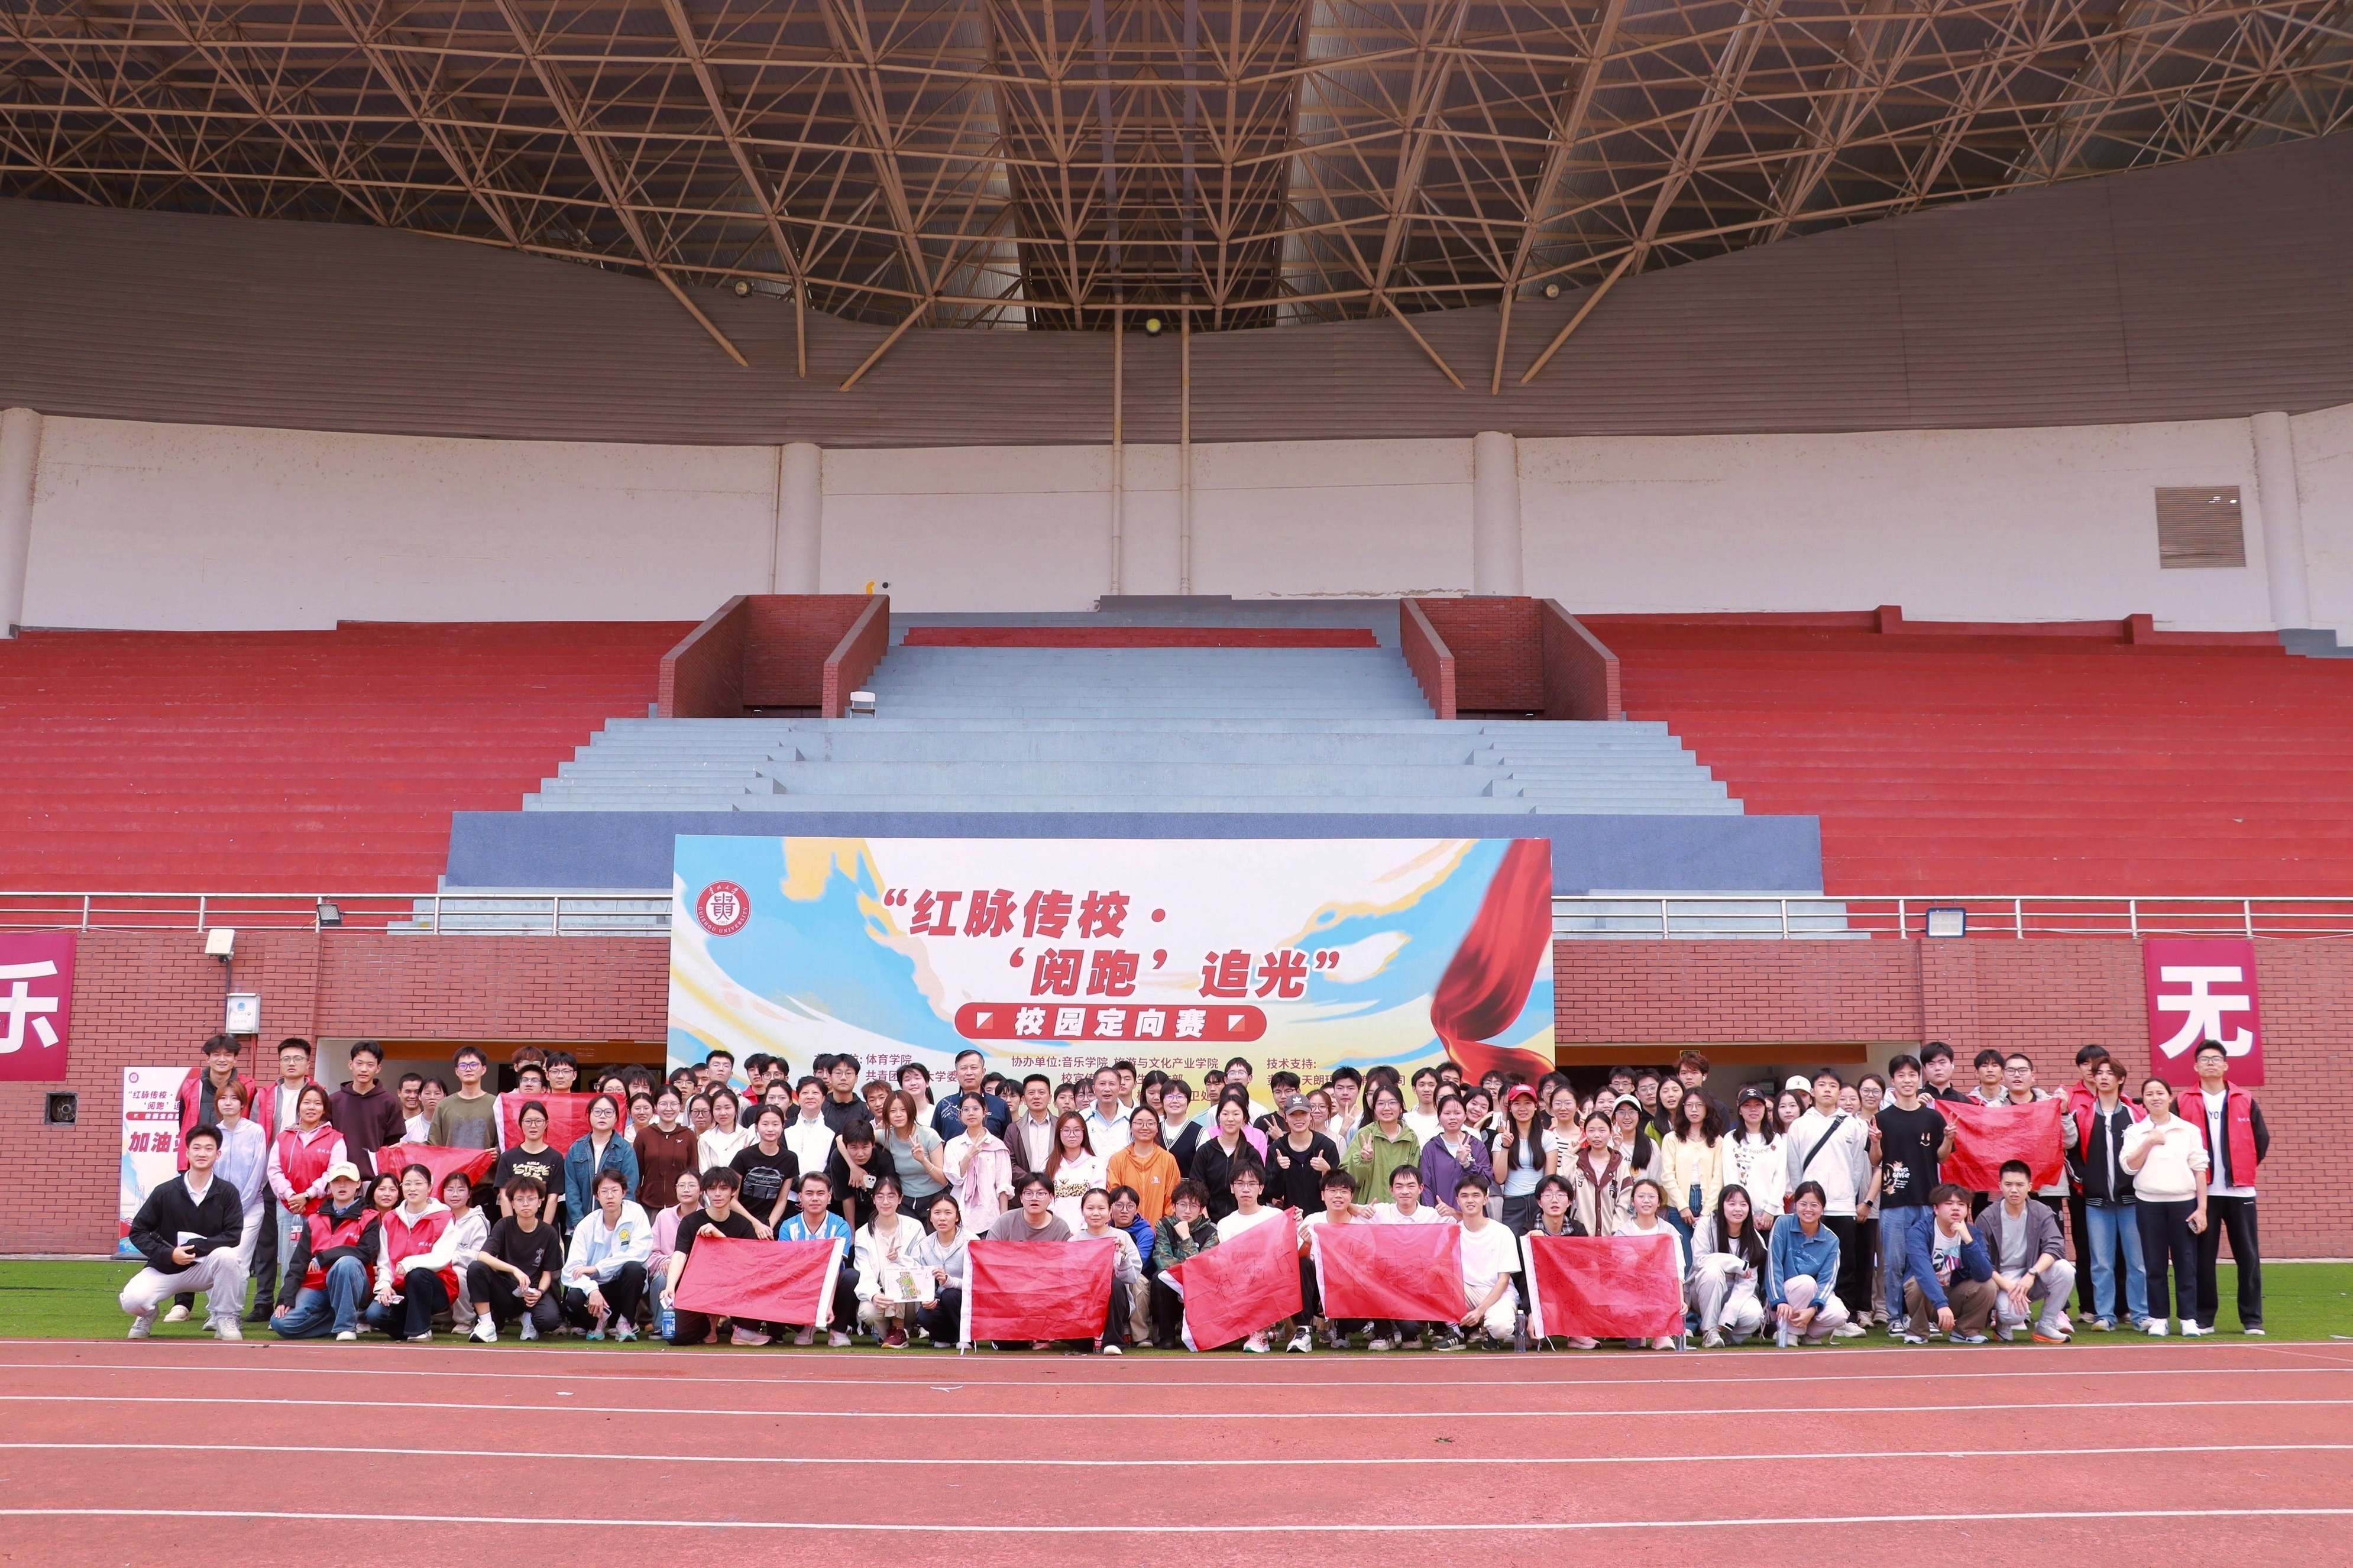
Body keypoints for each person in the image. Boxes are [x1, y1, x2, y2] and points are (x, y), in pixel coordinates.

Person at [121, 1123, 248, 1340]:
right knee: (132, 1301)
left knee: (227, 1256)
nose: (202, 1153)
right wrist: (169, 1254)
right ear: (187, 1152)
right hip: (166, 1268)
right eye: (196, 1148)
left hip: (207, 1267)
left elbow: (233, 1235)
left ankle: (225, 1317)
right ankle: (147, 1314)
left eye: (209, 1149)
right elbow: (138, 1232)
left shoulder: (227, 1192)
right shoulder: (165, 1192)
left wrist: (196, 1248)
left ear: (218, 1154)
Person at [2182, 1039, 2270, 1335]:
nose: (2211, 1063)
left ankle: (2252, 1319)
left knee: (2248, 1256)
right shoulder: (2183, 1100)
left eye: (2216, 1059)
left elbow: (2261, 1140)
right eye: (2205, 1059)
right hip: (2203, 1193)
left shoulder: (2244, 1099)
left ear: (2226, 1065)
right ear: (2196, 1066)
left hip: (2240, 1192)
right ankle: (2205, 1318)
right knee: (2203, 1258)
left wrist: (2243, 1167)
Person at [1782, 1069, 1871, 1337]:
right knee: (1808, 1262)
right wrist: (1803, 1201)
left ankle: (1843, 1319)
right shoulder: (1800, 1125)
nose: (1828, 1090)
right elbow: (1795, 1167)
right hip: (1810, 1208)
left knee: (1845, 1263)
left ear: (1839, 1091)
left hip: (1843, 1205)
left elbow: (1857, 1166)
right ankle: (1807, 1315)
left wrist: (1848, 1196)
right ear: (1813, 1092)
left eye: (1833, 1085)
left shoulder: (1854, 1125)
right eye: (1822, 1085)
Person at [2122, 1076, 2209, 1336]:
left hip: (2184, 1203)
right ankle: (2159, 1317)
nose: (2155, 1098)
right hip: (2149, 1204)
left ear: (2170, 1097)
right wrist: (2149, 1142)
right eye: (2149, 1094)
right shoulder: (2135, 1131)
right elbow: (2129, 1167)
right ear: (2144, 1101)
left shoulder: (2188, 1130)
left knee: (2186, 1262)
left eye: (2160, 1093)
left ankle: (2188, 1318)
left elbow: (2200, 1169)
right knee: (2154, 1263)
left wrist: (2202, 1208)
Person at [1872, 1054, 1952, 1333]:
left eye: (1912, 1075)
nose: (1907, 1080)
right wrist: (1876, 1142)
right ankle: (1895, 1317)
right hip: (1894, 1201)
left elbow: (1942, 1157)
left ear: (1920, 1079)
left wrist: (1949, 1139)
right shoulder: (1882, 1119)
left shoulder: (1933, 1117)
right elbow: (1875, 1160)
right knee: (1894, 1263)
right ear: (1893, 1081)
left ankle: (1921, 1316)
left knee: (1924, 1262)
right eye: (1901, 1075)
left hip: (1927, 1201)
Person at [2070, 1057, 2147, 1330]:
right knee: (2101, 1263)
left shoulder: (2136, 1114)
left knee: (2137, 1262)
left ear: (2121, 1079)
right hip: (2096, 1202)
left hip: (2131, 1201)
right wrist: (2085, 1181)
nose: (2103, 1077)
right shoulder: (2083, 1114)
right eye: (2099, 1073)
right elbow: (2071, 1152)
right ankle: (2105, 1316)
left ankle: (2141, 1315)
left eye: (2109, 1073)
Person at [268, 1162, 378, 1341]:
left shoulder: (370, 1216)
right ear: (329, 1185)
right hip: (317, 1285)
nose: (342, 1185)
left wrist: (324, 1257)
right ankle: (342, 1318)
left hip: (354, 1283)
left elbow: (366, 1252)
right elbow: (299, 1262)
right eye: (337, 1181)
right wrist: (285, 1297)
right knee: (281, 1323)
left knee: (346, 1263)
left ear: (358, 1184)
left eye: (348, 1181)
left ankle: (346, 1327)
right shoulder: (314, 1219)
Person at [659, 1167, 760, 1346]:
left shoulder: (743, 1225)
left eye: (723, 1188)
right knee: (678, 1337)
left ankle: (734, 1324)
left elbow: (749, 1261)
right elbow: (680, 1254)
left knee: (752, 1309)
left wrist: (720, 1238)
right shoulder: (690, 1221)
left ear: (733, 1192)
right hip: (699, 1286)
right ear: (705, 1192)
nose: (717, 1194)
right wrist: (670, 1286)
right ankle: (708, 1323)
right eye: (712, 1189)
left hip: (735, 1285)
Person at [1978, 1159, 2076, 1343]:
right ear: (2000, 1186)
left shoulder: (2041, 1212)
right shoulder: (1987, 1217)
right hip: (2002, 1278)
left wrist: (2032, 1274)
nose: (2014, 1190)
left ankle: (2046, 1325)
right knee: (2014, 1316)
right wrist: (2009, 1287)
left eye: (2020, 1185)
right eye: (2008, 1184)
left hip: (2031, 1271)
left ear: (2030, 1187)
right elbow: (1981, 1260)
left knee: (2066, 1269)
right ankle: (2002, 1323)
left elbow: (2055, 1246)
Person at [367, 1162, 461, 1343]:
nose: (412, 1189)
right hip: (400, 1289)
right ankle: (415, 1326)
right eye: (408, 1184)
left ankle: (421, 1331)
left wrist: (410, 1262)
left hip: (435, 1288)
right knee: (375, 1316)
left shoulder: (443, 1217)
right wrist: (384, 1286)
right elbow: (385, 1261)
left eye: (418, 1183)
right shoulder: (391, 1218)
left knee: (417, 1274)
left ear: (430, 1187)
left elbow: (442, 1258)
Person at [559, 1168, 652, 1340]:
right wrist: (592, 1290)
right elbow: (571, 1271)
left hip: (623, 1289)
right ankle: (598, 1323)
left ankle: (625, 1322)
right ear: (597, 1196)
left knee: (634, 1269)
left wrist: (598, 1267)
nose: (610, 1196)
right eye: (604, 1191)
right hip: (598, 1290)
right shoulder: (586, 1225)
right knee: (574, 1296)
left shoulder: (636, 1213)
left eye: (615, 1190)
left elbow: (640, 1252)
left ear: (624, 1192)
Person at [1897, 1183, 1996, 1345]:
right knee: (1915, 1283)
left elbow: (1984, 1273)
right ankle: (1918, 1331)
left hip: (1956, 1294)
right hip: (1929, 1298)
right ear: (1936, 1209)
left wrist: (1969, 1241)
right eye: (1949, 1204)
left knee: (1989, 1285)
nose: (1955, 1208)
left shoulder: (1973, 1234)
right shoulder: (1920, 1232)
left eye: (1961, 1204)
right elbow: (1923, 1271)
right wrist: (1941, 1304)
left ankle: (1966, 1331)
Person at [1368, 1165, 1446, 1350]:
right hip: (1386, 1282)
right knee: (1367, 1272)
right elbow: (1345, 1210)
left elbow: (1463, 1223)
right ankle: (1384, 1333)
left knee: (1410, 1327)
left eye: (1411, 1186)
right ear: (1391, 1190)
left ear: (1421, 1188)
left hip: (1418, 1287)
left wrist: (1454, 1212)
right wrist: (1357, 1209)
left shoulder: (1433, 1216)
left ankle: (1413, 1334)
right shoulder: (1379, 1212)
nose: (1405, 1191)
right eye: (1399, 1186)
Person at [1208, 1162, 1283, 1353]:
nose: (1246, 1189)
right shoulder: (1225, 1224)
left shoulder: (1276, 1216)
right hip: (1236, 1284)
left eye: (1252, 1184)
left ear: (1261, 1188)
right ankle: (1261, 1334)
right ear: (1232, 1188)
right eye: (1240, 1184)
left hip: (1269, 1280)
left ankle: (1260, 1333)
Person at [778, 1172, 859, 1346]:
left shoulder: (840, 1226)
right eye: (809, 1193)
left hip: (830, 1284)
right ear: (800, 1197)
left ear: (829, 1197)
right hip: (799, 1285)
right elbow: (787, 1269)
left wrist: (827, 1306)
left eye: (820, 1193)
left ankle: (838, 1331)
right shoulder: (788, 1227)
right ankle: (806, 1326)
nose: (815, 1198)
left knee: (851, 1276)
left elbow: (835, 1268)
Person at [1766, 1180, 1849, 1346]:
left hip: (1811, 1297)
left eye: (1814, 1205)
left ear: (1823, 1208)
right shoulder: (1783, 1224)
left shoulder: (1831, 1240)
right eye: (1803, 1204)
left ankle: (1808, 1333)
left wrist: (1813, 1309)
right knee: (1806, 1283)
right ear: (1795, 1205)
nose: (1808, 1209)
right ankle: (1789, 1332)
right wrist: (1779, 1300)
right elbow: (1773, 1266)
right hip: (1782, 1298)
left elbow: (1827, 1281)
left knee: (1839, 1314)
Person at [853, 1177, 933, 1347]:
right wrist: (874, 1295)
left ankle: (898, 1327)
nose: (885, 1202)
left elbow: (921, 1266)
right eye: (880, 1197)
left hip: (910, 1298)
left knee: (893, 1268)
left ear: (900, 1199)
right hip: (881, 1296)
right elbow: (864, 1270)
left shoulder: (914, 1227)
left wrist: (899, 1260)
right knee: (867, 1311)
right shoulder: (863, 1233)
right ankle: (889, 1335)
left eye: (891, 1196)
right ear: (873, 1199)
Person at [1610, 1178, 1687, 1351]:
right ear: (1633, 1202)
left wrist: (1680, 1300)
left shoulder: (1669, 1232)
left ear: (1659, 1202)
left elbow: (1677, 1268)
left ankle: (1661, 1334)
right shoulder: (1623, 1233)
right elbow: (1623, 1267)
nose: (1646, 1201)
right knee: (1633, 1342)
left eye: (1652, 1196)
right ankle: (1639, 1329)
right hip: (1630, 1290)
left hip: (1661, 1290)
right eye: (1641, 1196)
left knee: (1661, 1280)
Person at [1688, 1183, 1769, 1346]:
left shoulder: (1755, 1239)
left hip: (1736, 1294)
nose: (1738, 1209)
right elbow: (1700, 1261)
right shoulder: (1706, 1225)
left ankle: (1727, 1335)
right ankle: (1710, 1332)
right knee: (1713, 1271)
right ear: (1722, 1205)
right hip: (1703, 1291)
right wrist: (1737, 1264)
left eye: (1743, 1205)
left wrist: (1728, 1317)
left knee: (1754, 1316)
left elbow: (1747, 1284)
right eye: (1732, 1204)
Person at [1074, 1187, 1146, 1354]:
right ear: (1082, 1211)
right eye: (1090, 1208)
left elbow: (1132, 1277)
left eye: (1101, 1208)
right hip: (1085, 1304)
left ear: (1109, 1212)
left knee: (1114, 1283)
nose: (1096, 1213)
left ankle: (1113, 1342)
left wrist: (1123, 1256)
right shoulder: (1074, 1241)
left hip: (1116, 1303)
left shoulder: (1122, 1237)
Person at [1452, 1174, 1520, 1349]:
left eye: (1476, 1195)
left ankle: (1489, 1330)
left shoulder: (1502, 1232)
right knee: (1438, 1280)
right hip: (1467, 1292)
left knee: (1500, 1328)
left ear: (1485, 1199)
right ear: (1458, 1201)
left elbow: (1504, 1280)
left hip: (1499, 1293)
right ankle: (1455, 1333)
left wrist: (1480, 1311)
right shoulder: (1452, 1232)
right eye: (1465, 1196)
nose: (1470, 1201)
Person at [327, 1042, 406, 1185]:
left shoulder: (389, 1103)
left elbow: (392, 1147)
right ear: (350, 1064)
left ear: (378, 1068)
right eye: (359, 1063)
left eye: (370, 1065)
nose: (364, 1069)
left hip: (374, 1180)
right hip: (338, 1176)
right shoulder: (334, 1101)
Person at [1149, 1178, 1216, 1347]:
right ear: (1174, 1206)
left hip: (1200, 1287)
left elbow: (1202, 1268)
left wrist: (1186, 1238)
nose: (1187, 1210)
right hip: (1173, 1284)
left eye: (1193, 1206)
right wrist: (1183, 1279)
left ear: (1201, 1210)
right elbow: (1162, 1258)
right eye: (1182, 1204)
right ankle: (1166, 1336)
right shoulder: (1164, 1225)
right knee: (1160, 1277)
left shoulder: (1211, 1232)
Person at [562, 1093, 640, 1237]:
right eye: (597, 1112)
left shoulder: (625, 1150)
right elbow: (571, 1188)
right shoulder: (576, 1149)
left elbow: (628, 1190)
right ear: (589, 1115)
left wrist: (617, 1222)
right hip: (580, 1226)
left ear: (616, 1117)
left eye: (608, 1112)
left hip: (614, 1227)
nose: (602, 1116)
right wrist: (579, 1223)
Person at [1659, 1091, 1728, 1245]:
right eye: (1689, 1105)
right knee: (1684, 1254)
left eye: (1699, 1105)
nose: (1694, 1110)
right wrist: (1682, 1207)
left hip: (1709, 1204)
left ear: (1707, 1108)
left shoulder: (1718, 1141)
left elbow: (1719, 1178)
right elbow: (1667, 1176)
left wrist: (1707, 1211)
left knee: (1708, 1253)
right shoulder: (1672, 1139)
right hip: (1678, 1204)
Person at [1342, 1083, 1420, 1214]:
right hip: (1368, 1212)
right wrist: (1363, 1160)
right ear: (1374, 1109)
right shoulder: (1364, 1134)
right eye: (1381, 1103)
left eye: (1392, 1103)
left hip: (1403, 1213)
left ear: (1401, 1108)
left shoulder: (1411, 1138)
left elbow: (1416, 1180)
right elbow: (1346, 1179)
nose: (1387, 1108)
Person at [944, 1090, 1017, 1230]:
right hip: (960, 1214)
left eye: (976, 1109)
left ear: (985, 1112)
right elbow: (955, 1179)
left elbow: (1003, 1185)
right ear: (960, 1115)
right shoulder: (953, 1145)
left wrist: (1003, 1219)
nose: (971, 1113)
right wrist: (968, 1156)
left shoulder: (997, 1146)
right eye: (966, 1110)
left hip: (989, 1217)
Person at [729, 1104, 802, 1238]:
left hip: (771, 1223)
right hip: (742, 1221)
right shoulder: (744, 1156)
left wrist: (768, 1226)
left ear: (783, 1127)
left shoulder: (790, 1158)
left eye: (775, 1124)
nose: (770, 1129)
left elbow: (782, 1200)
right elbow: (732, 1199)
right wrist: (756, 1225)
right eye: (765, 1124)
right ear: (757, 1127)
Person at [1416, 1094, 1493, 1220]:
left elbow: (1486, 1181)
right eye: (1447, 1113)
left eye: (1457, 1113)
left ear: (1465, 1116)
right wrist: (1431, 1214)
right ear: (1439, 1116)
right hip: (1440, 1216)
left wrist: (1467, 1164)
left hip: (1472, 1218)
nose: (1452, 1118)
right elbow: (1426, 1186)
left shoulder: (1477, 1146)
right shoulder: (1431, 1148)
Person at [910, 1194, 970, 1346]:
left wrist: (950, 1281)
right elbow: (920, 1280)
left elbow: (978, 1282)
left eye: (948, 1213)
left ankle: (966, 1338)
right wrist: (926, 1298)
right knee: (924, 1314)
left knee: (950, 1295)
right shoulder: (925, 1245)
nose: (942, 1218)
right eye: (937, 1213)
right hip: (941, 1302)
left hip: (966, 1302)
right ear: (930, 1217)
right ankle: (944, 1337)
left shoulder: (971, 1242)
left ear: (957, 1217)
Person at [1107, 1103, 1182, 1225]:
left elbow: (1172, 1200)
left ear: (1157, 1128)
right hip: (1126, 1231)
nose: (1145, 1127)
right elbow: (1113, 1199)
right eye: (1139, 1123)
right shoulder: (1118, 1160)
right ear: (1131, 1127)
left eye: (1150, 1123)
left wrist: (1164, 1230)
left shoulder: (1168, 1160)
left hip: (1159, 1232)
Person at [493, 1100, 565, 1225]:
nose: (533, 1126)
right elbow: (504, 1197)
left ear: (546, 1124)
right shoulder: (507, 1158)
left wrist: (544, 1230)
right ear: (521, 1124)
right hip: (515, 1224)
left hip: (545, 1224)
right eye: (528, 1121)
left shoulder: (556, 1158)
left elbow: (553, 1198)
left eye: (538, 1121)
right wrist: (511, 1228)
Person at [877, 1090, 949, 1214]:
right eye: (893, 1111)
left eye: (903, 1110)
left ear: (911, 1110)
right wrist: (854, 1168)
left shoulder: (929, 1135)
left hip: (936, 1199)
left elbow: (943, 1180)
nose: (898, 1115)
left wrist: (923, 1160)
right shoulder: (886, 1136)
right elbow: (847, 1139)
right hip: (905, 1201)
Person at [438, 1168, 491, 1336]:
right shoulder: (438, 1217)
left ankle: (465, 1320)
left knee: (457, 1273)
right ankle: (443, 1316)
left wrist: (451, 1258)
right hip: (438, 1267)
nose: (455, 1194)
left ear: (469, 1194)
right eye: (450, 1190)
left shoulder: (477, 1221)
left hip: (465, 1271)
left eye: (461, 1190)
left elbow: (479, 1256)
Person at [634, 1086, 699, 1213]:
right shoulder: (644, 1135)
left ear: (680, 1106)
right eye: (663, 1104)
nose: (669, 1109)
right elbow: (636, 1172)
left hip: (680, 1205)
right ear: (656, 1106)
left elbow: (693, 1171)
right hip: (648, 1204)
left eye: (674, 1104)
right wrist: (635, 1201)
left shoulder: (688, 1136)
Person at [1041, 1111, 1108, 1229]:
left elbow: (1097, 1201)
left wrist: (1084, 1229)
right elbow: (1046, 1202)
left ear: (1084, 1133)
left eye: (1077, 1130)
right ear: (1059, 1134)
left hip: (1088, 1231)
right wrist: (1059, 1228)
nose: (1072, 1135)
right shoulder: (1048, 1165)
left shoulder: (1096, 1164)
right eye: (1066, 1130)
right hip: (1056, 1231)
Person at [1568, 1109, 1628, 1237]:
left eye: (1602, 1130)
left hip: (1612, 1238)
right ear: (1585, 1133)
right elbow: (1563, 1188)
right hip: (1581, 1236)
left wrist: (1617, 1232)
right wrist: (1570, 1155)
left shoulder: (1620, 1165)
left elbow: (1625, 1201)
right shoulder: (1577, 1162)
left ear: (1611, 1132)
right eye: (1591, 1131)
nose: (1596, 1135)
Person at [425, 1046, 499, 1151]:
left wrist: (497, 1151)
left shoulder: (496, 1104)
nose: (468, 1069)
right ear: (457, 1071)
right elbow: (433, 1145)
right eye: (463, 1066)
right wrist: (407, 1145)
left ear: (483, 1069)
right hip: (451, 1161)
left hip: (485, 1162)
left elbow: (503, 1143)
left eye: (474, 1065)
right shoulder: (444, 1105)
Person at [930, 1049, 1011, 1141]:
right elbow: (934, 1143)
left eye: (974, 1068)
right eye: (964, 1068)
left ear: (983, 1072)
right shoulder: (945, 1105)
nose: (969, 1073)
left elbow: (1007, 1143)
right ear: (956, 1074)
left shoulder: (1000, 1105)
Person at [823, 1122, 888, 1233]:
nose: (860, 1154)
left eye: (865, 1147)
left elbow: (887, 1194)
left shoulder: (883, 1157)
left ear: (873, 1144)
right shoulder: (838, 1158)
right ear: (846, 1146)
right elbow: (847, 1197)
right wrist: (852, 1231)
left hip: (879, 1213)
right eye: (854, 1148)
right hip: (848, 1214)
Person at [986, 1171, 1073, 1242]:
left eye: (1040, 1194)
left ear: (1051, 1197)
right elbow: (989, 1252)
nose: (1034, 1198)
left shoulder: (1060, 1228)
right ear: (1021, 1198)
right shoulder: (1005, 1222)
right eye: (1029, 1193)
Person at [1005, 1074, 1061, 1179]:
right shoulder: (1013, 1129)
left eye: (1041, 1092)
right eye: (1031, 1093)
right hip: (1024, 1187)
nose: (1036, 1097)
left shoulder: (1062, 1126)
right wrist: (1030, 1182)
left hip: (1057, 1186)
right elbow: (1008, 1162)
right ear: (1024, 1099)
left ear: (1050, 1098)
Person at [698, 1087, 755, 1172]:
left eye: (728, 1108)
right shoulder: (705, 1139)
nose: (723, 1113)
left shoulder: (749, 1136)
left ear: (736, 1109)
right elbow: (703, 1171)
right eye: (718, 1109)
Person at [1080, 1067, 1134, 1158]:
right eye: (1102, 1084)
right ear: (1094, 1089)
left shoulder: (1133, 1117)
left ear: (1120, 1088)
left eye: (1112, 1084)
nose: (1107, 1089)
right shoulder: (1082, 1118)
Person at [821, 1054, 874, 1137]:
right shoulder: (820, 1108)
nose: (843, 1078)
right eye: (838, 1073)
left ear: (856, 1078)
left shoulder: (866, 1111)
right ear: (830, 1077)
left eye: (849, 1073)